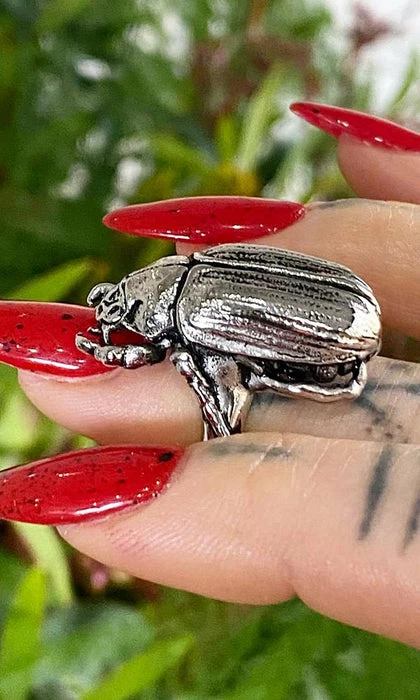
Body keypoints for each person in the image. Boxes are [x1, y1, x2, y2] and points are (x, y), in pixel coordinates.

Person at [3, 104, 420, 647]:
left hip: (334, 333)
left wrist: (105, 354)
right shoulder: (197, 273)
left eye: (125, 313)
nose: (120, 323)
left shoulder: (194, 316)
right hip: (342, 305)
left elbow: (150, 358)